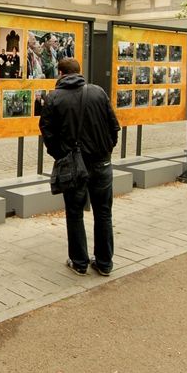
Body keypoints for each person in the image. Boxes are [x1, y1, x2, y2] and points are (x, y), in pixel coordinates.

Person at [39, 58, 121, 277]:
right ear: (79, 72)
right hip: (102, 162)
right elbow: (114, 127)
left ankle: (79, 262)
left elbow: (47, 132)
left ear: (60, 73)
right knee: (104, 213)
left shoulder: (54, 98)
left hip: (73, 164)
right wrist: (105, 150)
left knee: (74, 213)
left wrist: (60, 154)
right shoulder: (98, 92)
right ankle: (104, 263)